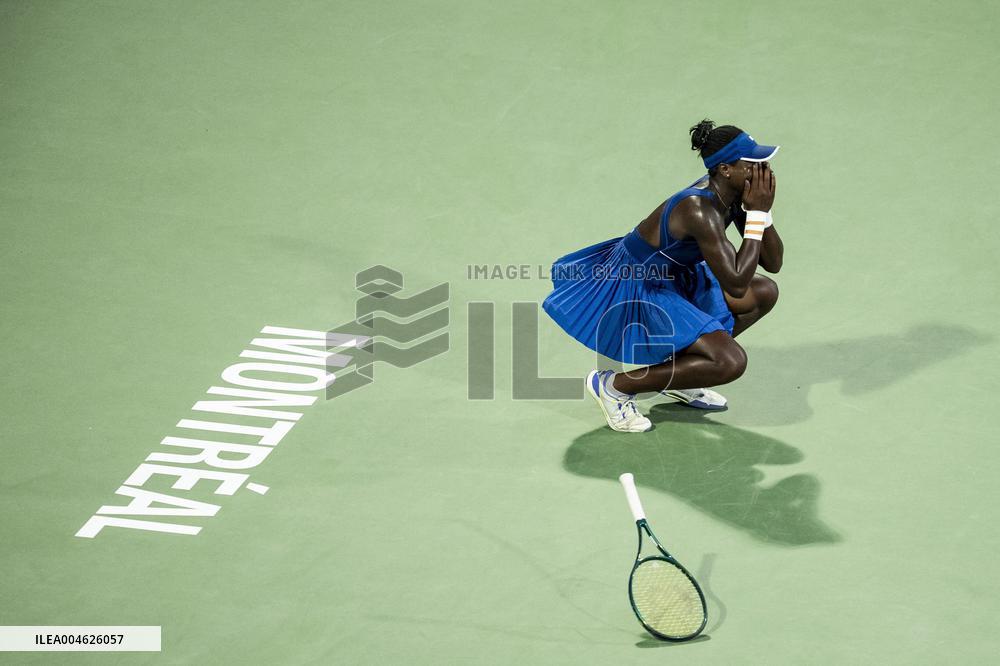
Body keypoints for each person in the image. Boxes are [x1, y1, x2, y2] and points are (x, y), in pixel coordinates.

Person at [542, 120, 782, 432]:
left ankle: (684, 374)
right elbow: (736, 283)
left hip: (678, 277)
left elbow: (772, 261)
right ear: (725, 169)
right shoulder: (698, 210)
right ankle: (614, 386)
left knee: (764, 292)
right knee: (729, 361)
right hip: (639, 284)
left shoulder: (734, 196)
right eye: (752, 163)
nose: (762, 169)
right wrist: (758, 213)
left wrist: (763, 213)